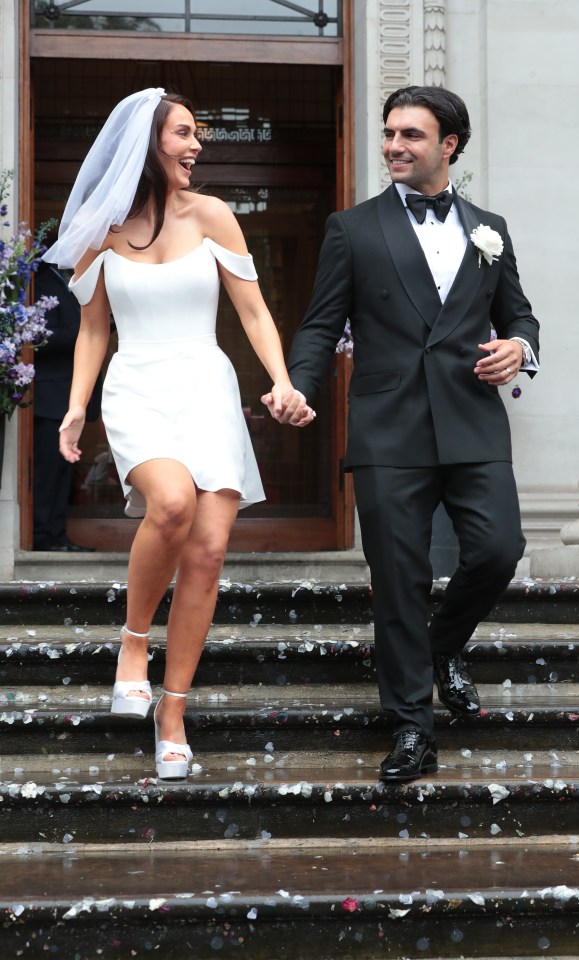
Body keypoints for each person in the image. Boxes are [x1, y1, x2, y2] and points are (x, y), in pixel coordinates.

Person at [263, 85, 540, 783]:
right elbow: (322, 323)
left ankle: (442, 647)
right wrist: (298, 384)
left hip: (473, 421)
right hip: (389, 429)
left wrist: (519, 348)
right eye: (389, 133)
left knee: (500, 549)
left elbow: (521, 316)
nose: (393, 146)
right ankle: (414, 727)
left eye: (410, 135)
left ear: (449, 145)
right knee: (399, 579)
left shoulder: (491, 228)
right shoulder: (351, 229)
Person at [43, 88, 313, 780]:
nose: (197, 147)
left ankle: (172, 713)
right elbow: (94, 330)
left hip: (206, 385)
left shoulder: (216, 216)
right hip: (136, 385)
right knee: (170, 505)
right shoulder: (101, 231)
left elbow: (253, 313)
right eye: (185, 133)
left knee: (209, 550)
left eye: (199, 135)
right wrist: (78, 408)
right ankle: (134, 645)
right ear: (148, 142)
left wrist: (281, 380)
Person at [32, 261, 100, 552]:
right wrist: (85, 332)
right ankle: (43, 536)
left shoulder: (72, 277)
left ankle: (57, 534)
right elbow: (35, 336)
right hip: (48, 394)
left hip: (68, 393)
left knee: (63, 472)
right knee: (48, 471)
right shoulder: (36, 278)